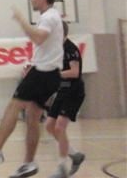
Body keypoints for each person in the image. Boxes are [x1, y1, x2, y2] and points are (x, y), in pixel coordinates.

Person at [0, 0, 64, 178]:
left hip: (43, 72)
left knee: (13, 106)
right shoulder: (51, 16)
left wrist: (21, 20)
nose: (32, 0)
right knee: (32, 117)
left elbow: (38, 38)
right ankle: (28, 163)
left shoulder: (49, 17)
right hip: (50, 74)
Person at [45, 21, 86, 178]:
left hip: (74, 92)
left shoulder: (70, 49)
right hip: (63, 91)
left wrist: (56, 75)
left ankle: (61, 167)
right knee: (49, 126)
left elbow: (75, 72)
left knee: (59, 127)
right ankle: (75, 155)